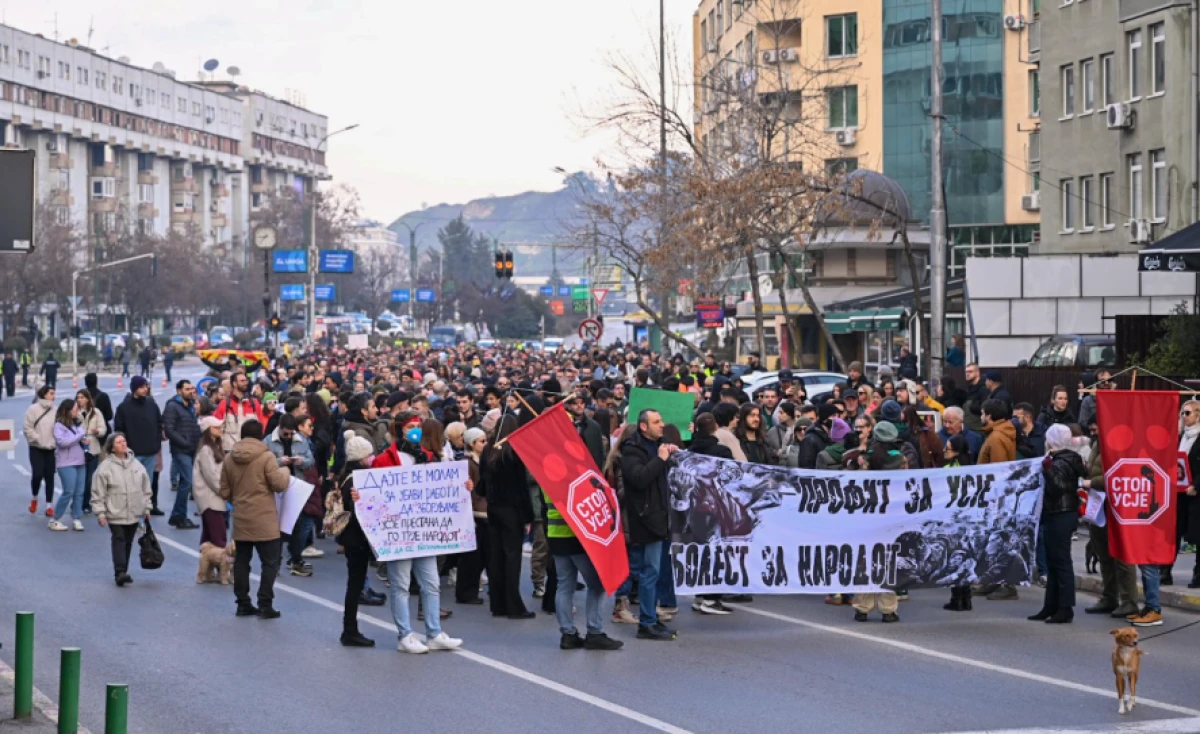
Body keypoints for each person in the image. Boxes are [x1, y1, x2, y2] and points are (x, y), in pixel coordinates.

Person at [371, 415, 464, 654]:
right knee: (401, 585)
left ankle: (434, 633)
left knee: (431, 584)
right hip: (399, 532)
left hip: (424, 531)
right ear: (399, 430)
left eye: (418, 427)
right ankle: (405, 635)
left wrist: (462, 487)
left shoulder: (428, 457)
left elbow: (442, 489)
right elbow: (373, 493)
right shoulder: (384, 459)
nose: (415, 430)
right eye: (410, 427)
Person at [219, 420, 290, 619]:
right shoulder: (266, 456)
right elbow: (278, 484)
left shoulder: (229, 458)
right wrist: (285, 471)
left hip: (241, 517)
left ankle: (243, 603)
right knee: (270, 562)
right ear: (261, 435)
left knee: (242, 562)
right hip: (264, 518)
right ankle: (265, 604)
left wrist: (237, 498)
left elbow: (223, 490)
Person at [620, 409, 678, 641]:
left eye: (661, 420)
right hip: (646, 520)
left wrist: (671, 457)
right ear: (644, 427)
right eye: (656, 422)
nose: (662, 425)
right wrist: (660, 459)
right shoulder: (632, 449)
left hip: (661, 517)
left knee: (653, 571)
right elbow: (639, 478)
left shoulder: (659, 445)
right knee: (650, 572)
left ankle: (650, 618)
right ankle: (646, 622)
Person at [1028, 424, 1088, 625]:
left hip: (1060, 514)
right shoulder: (1067, 458)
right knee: (1053, 561)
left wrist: (1048, 470)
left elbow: (1059, 487)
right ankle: (1051, 605)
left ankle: (1065, 608)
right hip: (1059, 513)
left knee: (1061, 562)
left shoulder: (1060, 461)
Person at [91, 433, 153, 586]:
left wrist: (147, 508)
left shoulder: (137, 465)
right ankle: (119, 572)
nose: (123, 444)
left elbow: (145, 489)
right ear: (112, 448)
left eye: (124, 441)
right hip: (115, 511)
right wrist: (100, 513)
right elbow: (98, 492)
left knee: (128, 541)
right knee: (119, 539)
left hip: (133, 511)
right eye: (119, 442)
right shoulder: (105, 468)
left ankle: (123, 570)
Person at [852, 443, 905, 623]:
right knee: (888, 564)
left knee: (865, 563)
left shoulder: (866, 466)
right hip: (890, 523)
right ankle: (888, 610)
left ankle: (862, 608)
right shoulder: (899, 466)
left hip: (868, 522)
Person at [334, 431, 377, 647]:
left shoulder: (347, 475)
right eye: (369, 455)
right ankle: (349, 630)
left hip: (351, 539)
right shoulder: (358, 479)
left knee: (355, 584)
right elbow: (358, 511)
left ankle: (350, 629)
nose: (372, 458)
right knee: (355, 585)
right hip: (356, 539)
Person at [267, 414, 317, 577]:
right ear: (280, 429)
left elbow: (311, 460)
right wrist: (280, 461)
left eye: (291, 433)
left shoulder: (301, 440)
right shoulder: (269, 441)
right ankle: (275, 563)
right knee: (277, 529)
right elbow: (263, 464)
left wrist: (301, 461)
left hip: (296, 486)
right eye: (286, 434)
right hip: (277, 488)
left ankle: (296, 560)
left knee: (298, 526)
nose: (289, 436)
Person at [114, 376, 165, 516]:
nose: (145, 389)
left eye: (146, 386)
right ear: (134, 389)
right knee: (132, 486)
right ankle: (131, 514)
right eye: (142, 387)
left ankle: (143, 515)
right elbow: (119, 429)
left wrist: (156, 443)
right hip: (132, 454)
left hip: (150, 452)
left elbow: (159, 424)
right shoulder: (124, 408)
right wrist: (124, 448)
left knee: (146, 486)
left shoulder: (152, 405)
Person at [457, 427, 490, 605]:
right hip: (474, 512)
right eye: (482, 441)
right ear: (472, 443)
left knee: (480, 555)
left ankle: (470, 589)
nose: (485, 444)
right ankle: (466, 592)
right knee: (472, 557)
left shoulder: (479, 460)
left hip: (481, 510)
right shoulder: (468, 463)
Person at [163, 380, 201, 530]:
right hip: (181, 450)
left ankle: (179, 516)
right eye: (187, 389)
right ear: (179, 391)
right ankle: (178, 515)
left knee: (186, 482)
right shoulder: (173, 406)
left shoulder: (190, 406)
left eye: (192, 388)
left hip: (192, 449)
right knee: (187, 482)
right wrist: (184, 442)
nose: (191, 391)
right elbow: (169, 429)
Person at [50, 398, 89, 532]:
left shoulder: (76, 424)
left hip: (80, 461)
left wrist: (84, 440)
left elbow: (79, 438)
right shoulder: (58, 426)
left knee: (79, 492)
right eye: (75, 408)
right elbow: (63, 443)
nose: (77, 411)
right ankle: (55, 519)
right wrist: (80, 436)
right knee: (68, 491)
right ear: (67, 410)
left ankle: (77, 518)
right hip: (66, 463)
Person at [1172, 400, 1200, 589]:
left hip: (1196, 494)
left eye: (1187, 413)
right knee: (1173, 533)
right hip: (1179, 492)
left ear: (1198, 415)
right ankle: (1165, 571)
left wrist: (1196, 485)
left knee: (1197, 535)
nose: (1184, 416)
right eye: (1182, 413)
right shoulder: (1181, 437)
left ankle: (1198, 575)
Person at [193, 417, 229, 549]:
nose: (220, 429)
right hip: (209, 498)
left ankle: (206, 561)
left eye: (220, 426)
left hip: (214, 497)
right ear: (207, 430)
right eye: (216, 427)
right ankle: (219, 562)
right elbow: (211, 476)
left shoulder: (216, 446)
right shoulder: (206, 450)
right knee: (218, 537)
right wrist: (224, 491)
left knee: (208, 537)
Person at [212, 372, 267, 452]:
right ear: (234, 383)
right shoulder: (224, 404)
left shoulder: (254, 403)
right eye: (242, 381)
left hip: (250, 450)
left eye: (246, 380)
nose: (245, 383)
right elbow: (216, 428)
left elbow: (261, 427)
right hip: (230, 451)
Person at [24, 385, 57, 516]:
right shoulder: (33, 409)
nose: (53, 396)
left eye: (54, 393)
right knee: (37, 474)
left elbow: (60, 426)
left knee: (50, 476)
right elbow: (27, 427)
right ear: (44, 394)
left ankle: (49, 505)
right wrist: (37, 438)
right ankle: (34, 498)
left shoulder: (55, 410)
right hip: (36, 447)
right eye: (51, 393)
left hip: (51, 448)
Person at [76, 389, 106, 516]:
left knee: (89, 479)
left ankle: (86, 503)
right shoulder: (74, 412)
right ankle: (76, 502)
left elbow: (103, 428)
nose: (80, 400)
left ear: (88, 399)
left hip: (92, 447)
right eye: (78, 397)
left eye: (82, 397)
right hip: (77, 447)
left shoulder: (96, 412)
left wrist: (98, 431)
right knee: (78, 479)